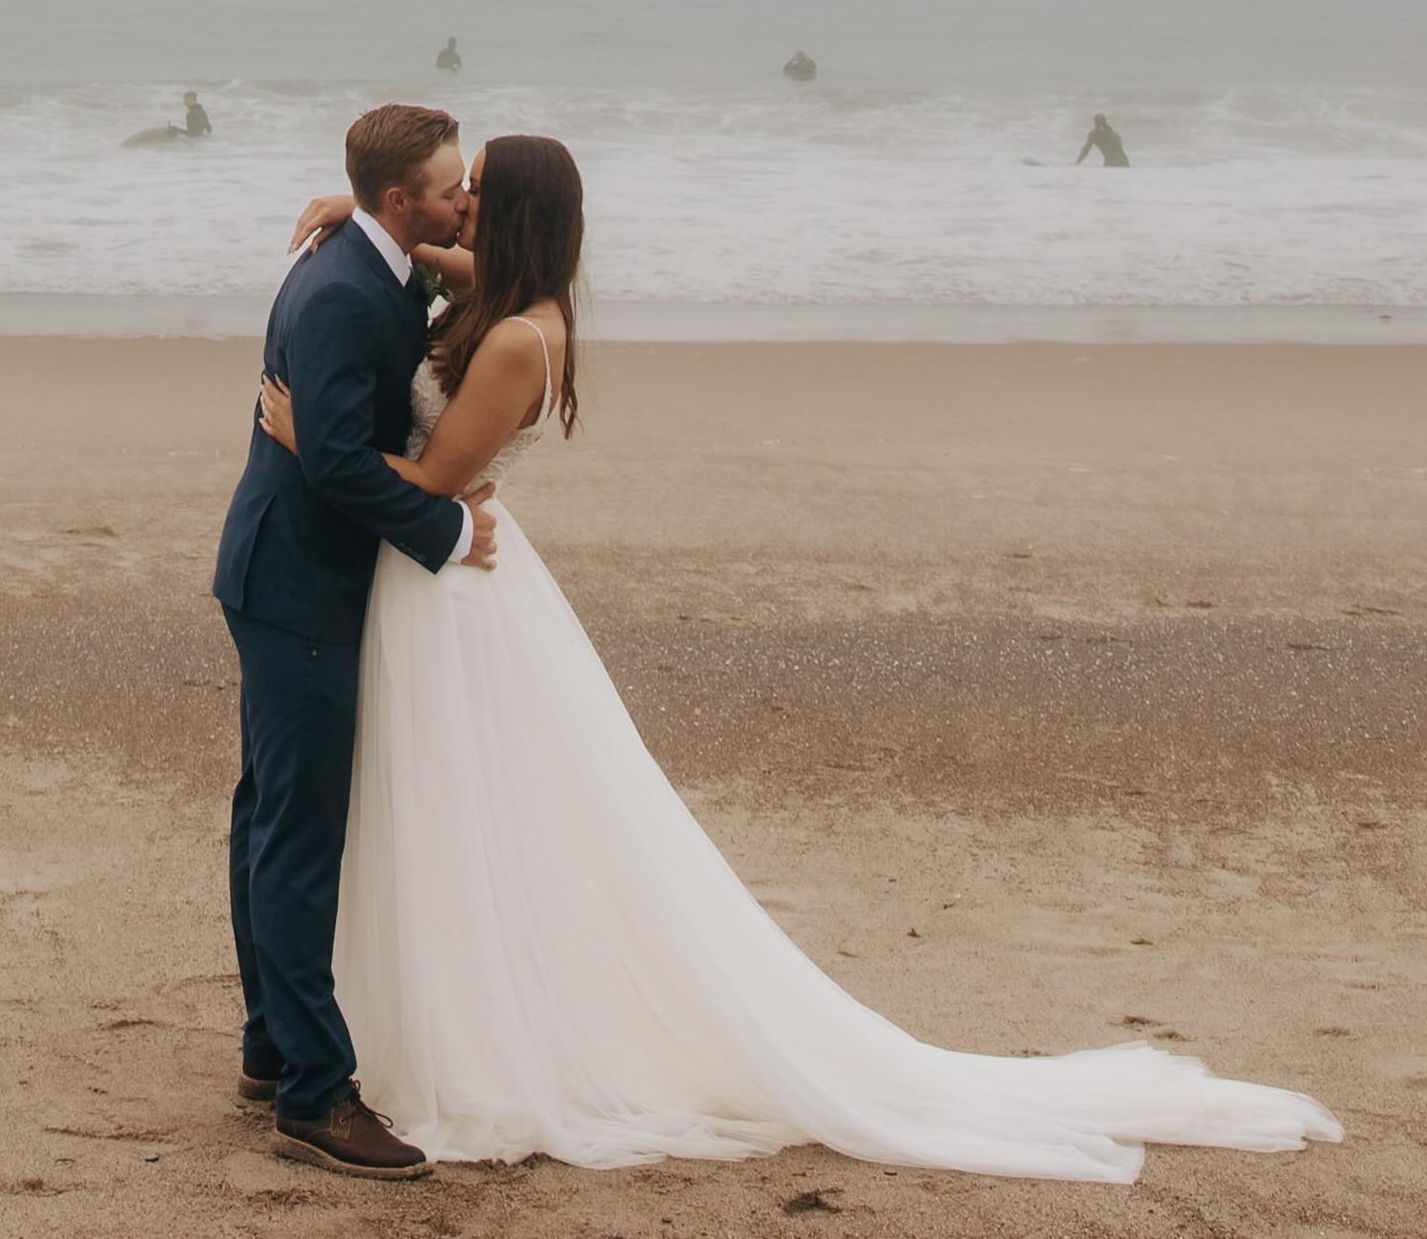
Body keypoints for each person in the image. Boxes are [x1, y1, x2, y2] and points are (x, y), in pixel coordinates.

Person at [254, 135, 1339, 1182]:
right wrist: (356, 216)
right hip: (428, 586)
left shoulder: (515, 339)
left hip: (453, 583)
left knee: (471, 814)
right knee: (429, 810)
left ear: (517, 211)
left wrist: (316, 444)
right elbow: (435, 254)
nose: (463, 204)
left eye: (479, 188)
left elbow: (438, 478)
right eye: (455, 188)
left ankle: (465, 1033)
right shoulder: (503, 290)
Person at [211, 105, 500, 1182]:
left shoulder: (376, 257)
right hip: (296, 588)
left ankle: (268, 1045)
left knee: (268, 817)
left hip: (284, 574)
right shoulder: (342, 289)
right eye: (445, 185)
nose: (462, 198)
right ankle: (313, 1094)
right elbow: (334, 464)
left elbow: (464, 262)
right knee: (295, 835)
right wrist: (452, 527)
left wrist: (362, 214)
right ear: (400, 200)